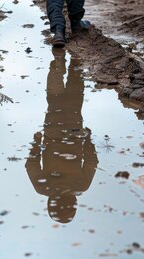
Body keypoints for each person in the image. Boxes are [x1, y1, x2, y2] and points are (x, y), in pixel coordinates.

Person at [25, 48, 98, 223]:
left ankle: (74, 63)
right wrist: (36, 143)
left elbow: (91, 161)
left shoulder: (81, 186)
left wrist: (87, 140)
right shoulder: (42, 187)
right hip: (52, 133)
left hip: (74, 132)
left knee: (74, 98)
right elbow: (31, 164)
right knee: (54, 100)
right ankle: (58, 65)